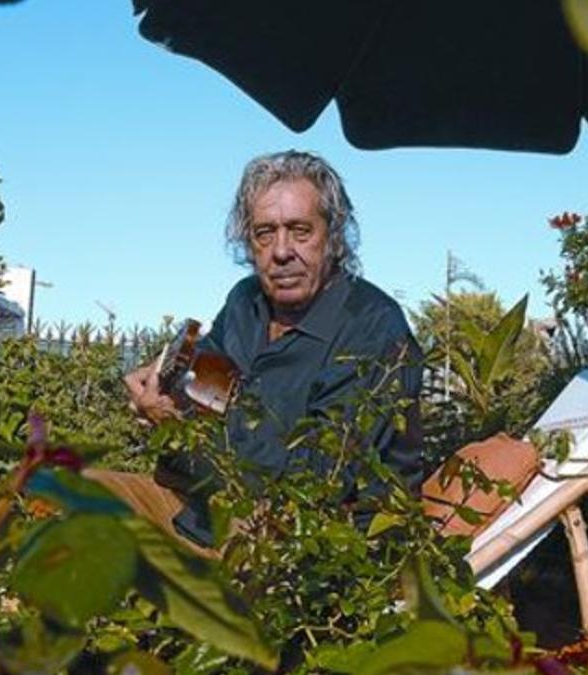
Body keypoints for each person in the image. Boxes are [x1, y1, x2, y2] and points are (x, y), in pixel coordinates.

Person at [88, 151, 423, 556]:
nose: (281, 251)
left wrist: (177, 426)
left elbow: (315, 484)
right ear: (248, 241)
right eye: (265, 233)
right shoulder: (246, 302)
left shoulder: (374, 328)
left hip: (307, 545)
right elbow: (201, 390)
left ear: (333, 236)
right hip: (204, 512)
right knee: (63, 494)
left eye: (300, 231)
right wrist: (163, 384)